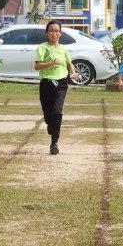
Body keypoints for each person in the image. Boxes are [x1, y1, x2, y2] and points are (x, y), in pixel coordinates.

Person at [35, 21, 78, 155]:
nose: (54, 34)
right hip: (46, 83)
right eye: (51, 31)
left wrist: (73, 72)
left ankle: (54, 143)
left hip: (61, 83)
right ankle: (50, 124)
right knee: (48, 115)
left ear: (60, 33)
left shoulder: (63, 48)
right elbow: (37, 66)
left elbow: (69, 63)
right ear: (47, 33)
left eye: (56, 31)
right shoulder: (42, 47)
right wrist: (51, 63)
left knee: (57, 112)